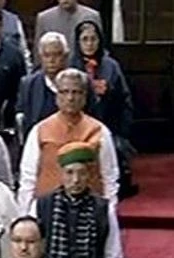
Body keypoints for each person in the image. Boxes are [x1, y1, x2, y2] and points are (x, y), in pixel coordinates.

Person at [18, 69, 120, 212]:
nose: (70, 98)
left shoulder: (100, 131)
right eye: (64, 92)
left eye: (76, 92)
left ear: (85, 96)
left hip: (90, 211)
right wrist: (25, 213)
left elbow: (109, 177)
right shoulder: (39, 131)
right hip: (48, 210)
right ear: (56, 96)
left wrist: (109, 211)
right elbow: (28, 178)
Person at [36, 145, 123, 258]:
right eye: (69, 173)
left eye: (81, 173)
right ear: (61, 174)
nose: (75, 180)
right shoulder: (42, 206)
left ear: (89, 175)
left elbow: (112, 256)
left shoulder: (103, 209)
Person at [71, 19, 136, 197]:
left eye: (94, 39)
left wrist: (122, 130)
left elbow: (124, 99)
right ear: (78, 42)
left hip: (109, 126)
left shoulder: (111, 66)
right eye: (85, 39)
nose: (90, 44)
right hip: (79, 129)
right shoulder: (71, 66)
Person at [16, 32, 94, 135]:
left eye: (57, 54)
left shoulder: (80, 80)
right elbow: (23, 121)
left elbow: (93, 117)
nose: (51, 60)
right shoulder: (28, 85)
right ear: (40, 57)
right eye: (47, 55)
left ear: (66, 55)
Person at [34, 0, 101, 65]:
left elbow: (99, 47)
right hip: (55, 70)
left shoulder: (92, 16)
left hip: (85, 69)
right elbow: (38, 52)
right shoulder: (44, 18)